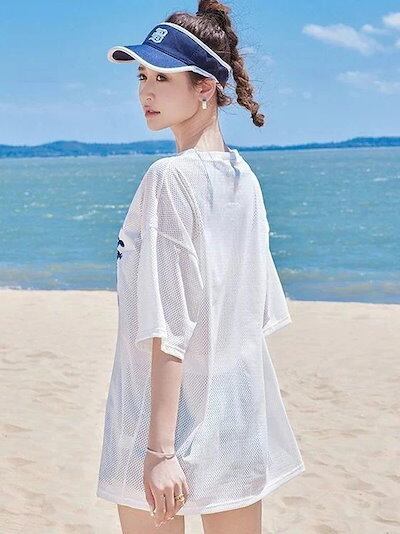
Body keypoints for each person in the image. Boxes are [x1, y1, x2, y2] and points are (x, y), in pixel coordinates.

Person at [96, 1, 305, 532]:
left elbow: (169, 325)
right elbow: (253, 315)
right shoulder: (244, 178)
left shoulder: (169, 178)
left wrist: (159, 450)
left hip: (159, 422)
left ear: (205, 87)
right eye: (142, 76)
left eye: (162, 77)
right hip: (234, 415)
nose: (145, 91)